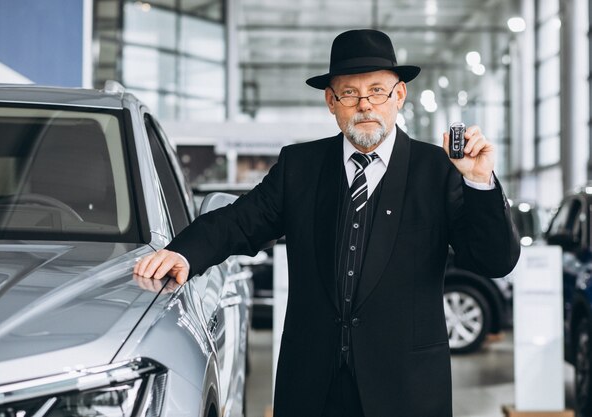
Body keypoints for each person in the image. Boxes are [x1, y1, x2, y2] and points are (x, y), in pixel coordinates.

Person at [135, 29, 520, 417]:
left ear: (399, 95)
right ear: (331, 102)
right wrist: (184, 252)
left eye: (377, 91)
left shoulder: (438, 170)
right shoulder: (299, 167)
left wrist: (479, 181)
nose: (365, 105)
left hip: (406, 388)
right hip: (312, 387)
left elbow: (495, 260)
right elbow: (240, 220)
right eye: (350, 93)